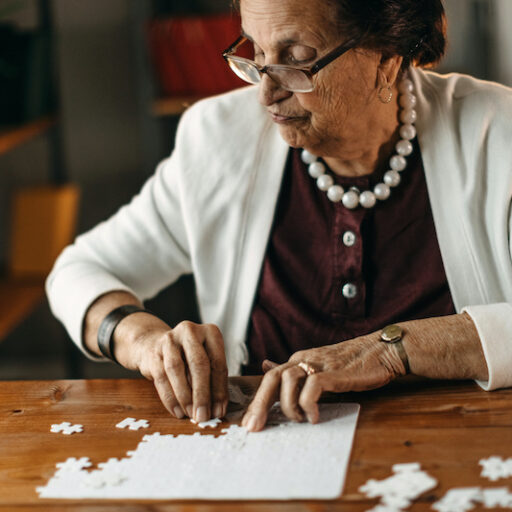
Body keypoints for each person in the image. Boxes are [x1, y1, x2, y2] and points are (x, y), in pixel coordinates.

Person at [47, 0, 512, 433]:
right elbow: (78, 272)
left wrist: (393, 349)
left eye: (295, 58)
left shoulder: (498, 133)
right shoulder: (216, 140)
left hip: (464, 444)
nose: (265, 92)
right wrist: (144, 341)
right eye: (255, 51)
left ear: (386, 60)